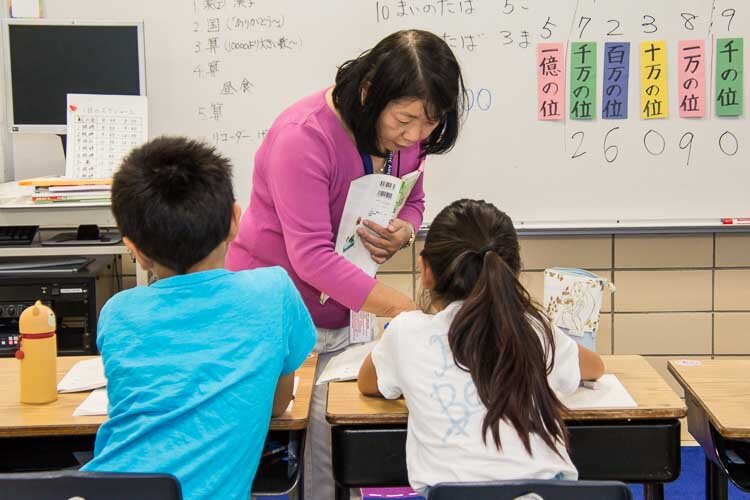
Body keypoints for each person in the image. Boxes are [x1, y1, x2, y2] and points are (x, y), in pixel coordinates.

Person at [225, 29, 465, 497]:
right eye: (406, 120)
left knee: (333, 447)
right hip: (278, 310)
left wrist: (406, 229)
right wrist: (401, 308)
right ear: (369, 91)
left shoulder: (408, 134)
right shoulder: (304, 137)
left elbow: (412, 195)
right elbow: (311, 256)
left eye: (431, 122)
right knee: (281, 453)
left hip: (347, 312)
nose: (415, 135)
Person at [82, 137, 317, 500]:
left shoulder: (117, 312)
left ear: (135, 251)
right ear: (236, 220)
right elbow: (278, 403)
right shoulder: (274, 293)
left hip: (100, 489)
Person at [358, 199, 605, 496]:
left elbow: (368, 383)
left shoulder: (406, 331)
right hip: (546, 491)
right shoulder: (534, 329)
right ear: (513, 271)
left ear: (425, 269)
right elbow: (595, 367)